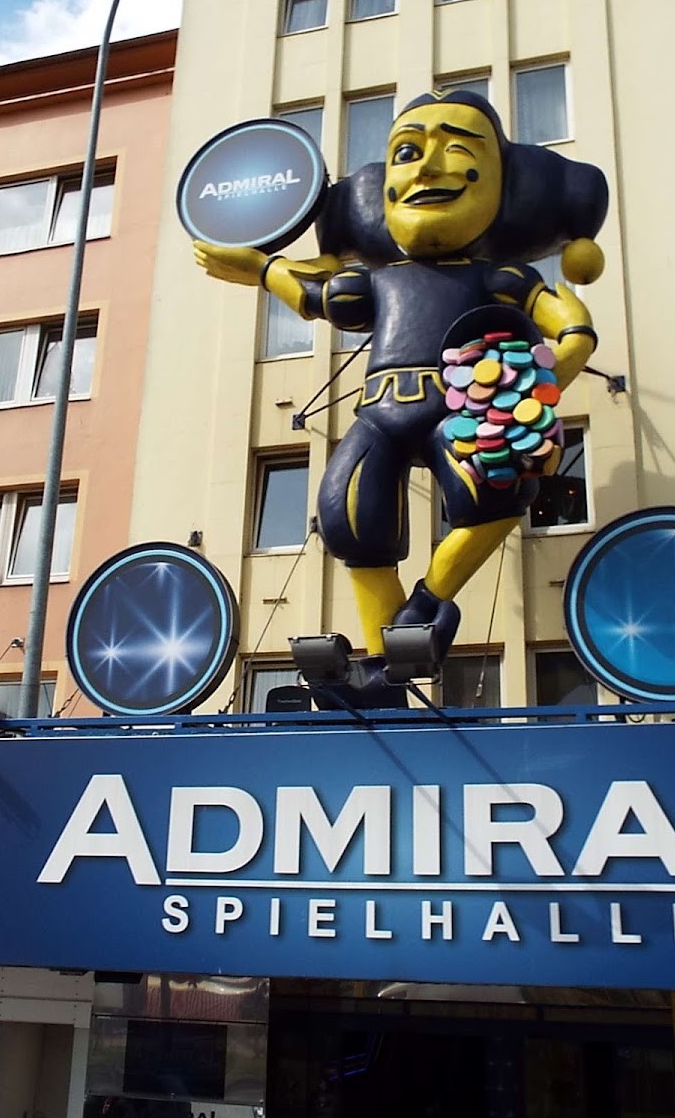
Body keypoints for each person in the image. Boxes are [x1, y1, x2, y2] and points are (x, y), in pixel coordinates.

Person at [194, 90, 607, 704]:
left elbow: (567, 326)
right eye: (408, 153)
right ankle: (385, 668)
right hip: (382, 410)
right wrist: (260, 268)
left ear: (505, 185)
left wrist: (559, 361)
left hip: (463, 408)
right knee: (347, 511)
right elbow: (319, 298)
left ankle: (428, 604)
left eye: (459, 151)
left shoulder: (499, 276)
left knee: (496, 491)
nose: (428, 168)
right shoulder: (378, 278)